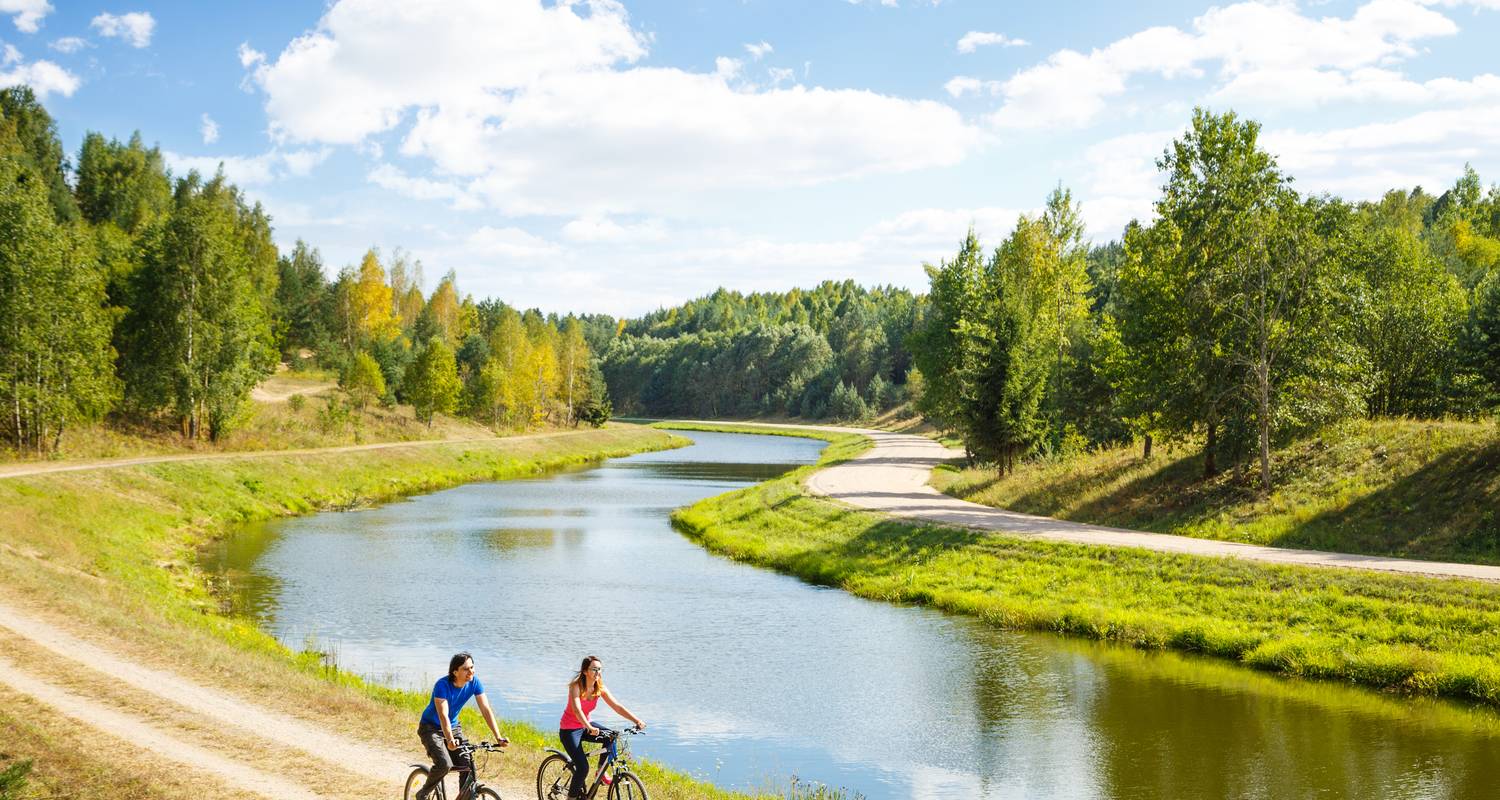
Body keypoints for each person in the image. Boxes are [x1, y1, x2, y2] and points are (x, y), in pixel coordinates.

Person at [415, 652, 506, 800]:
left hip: (454, 727)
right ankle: (423, 793)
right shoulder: (442, 685)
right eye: (465, 669)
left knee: (467, 764)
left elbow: (486, 710)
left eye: (472, 667)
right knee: (444, 764)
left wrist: (499, 736)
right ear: (455, 672)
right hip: (430, 728)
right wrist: (450, 740)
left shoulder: (474, 682)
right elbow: (443, 715)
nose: (471, 671)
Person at [559, 655, 645, 799]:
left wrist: (637, 720)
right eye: (594, 669)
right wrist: (589, 727)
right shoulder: (576, 686)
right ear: (585, 671)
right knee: (583, 767)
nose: (598, 672)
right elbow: (577, 710)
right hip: (569, 730)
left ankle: (600, 771)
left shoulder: (599, 687)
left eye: (600, 669)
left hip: (586, 725)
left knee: (611, 736)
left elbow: (617, 707)